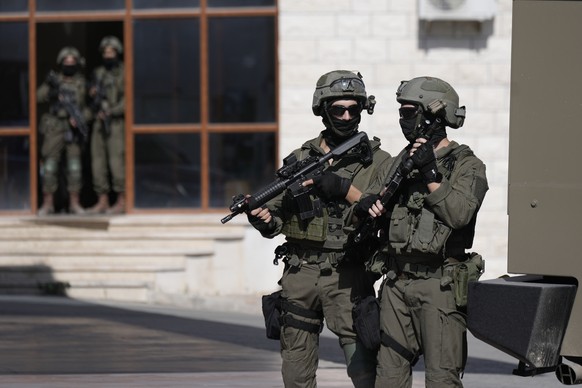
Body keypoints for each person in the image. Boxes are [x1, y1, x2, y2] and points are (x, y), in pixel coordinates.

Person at [247, 70, 391, 388]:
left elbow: (384, 213)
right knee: (296, 373)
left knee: (364, 369)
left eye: (354, 109)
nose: (346, 116)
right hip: (300, 274)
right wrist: (264, 221)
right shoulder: (300, 160)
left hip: (348, 275)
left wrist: (343, 188)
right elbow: (277, 215)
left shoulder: (378, 162)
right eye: (338, 109)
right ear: (323, 110)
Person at [354, 76, 489, 388]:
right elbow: (367, 203)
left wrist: (431, 175)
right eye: (401, 112)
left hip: (439, 286)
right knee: (388, 377)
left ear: (433, 114)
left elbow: (460, 213)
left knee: (441, 378)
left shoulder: (466, 165)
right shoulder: (399, 161)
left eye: (408, 112)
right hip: (396, 283)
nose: (403, 120)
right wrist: (366, 205)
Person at [37, 46, 91, 215]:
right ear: (61, 63)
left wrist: (81, 118)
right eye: (66, 62)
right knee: (50, 165)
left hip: (72, 131)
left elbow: (90, 107)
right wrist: (53, 92)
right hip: (55, 128)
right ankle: (48, 203)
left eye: (72, 62)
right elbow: (38, 96)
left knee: (74, 167)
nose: (69, 65)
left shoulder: (82, 83)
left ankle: (74, 203)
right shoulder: (54, 81)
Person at [86, 36, 125, 214]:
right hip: (99, 122)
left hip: (115, 123)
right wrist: (93, 96)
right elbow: (90, 97)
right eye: (105, 52)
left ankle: (121, 200)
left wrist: (112, 110)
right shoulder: (98, 72)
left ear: (117, 52)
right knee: (97, 162)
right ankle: (102, 200)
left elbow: (128, 100)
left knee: (116, 162)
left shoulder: (124, 72)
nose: (108, 55)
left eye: (111, 52)